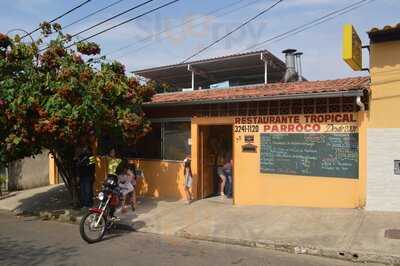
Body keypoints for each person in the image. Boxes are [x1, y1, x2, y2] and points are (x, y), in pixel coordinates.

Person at [76, 140, 95, 208]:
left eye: (85, 148)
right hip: (82, 176)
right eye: (84, 148)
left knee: (87, 191)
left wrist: (92, 176)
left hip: (88, 176)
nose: (84, 149)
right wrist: (78, 176)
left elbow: (93, 166)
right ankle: (84, 203)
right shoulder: (81, 156)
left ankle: (88, 204)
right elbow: (78, 166)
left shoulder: (91, 157)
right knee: (83, 191)